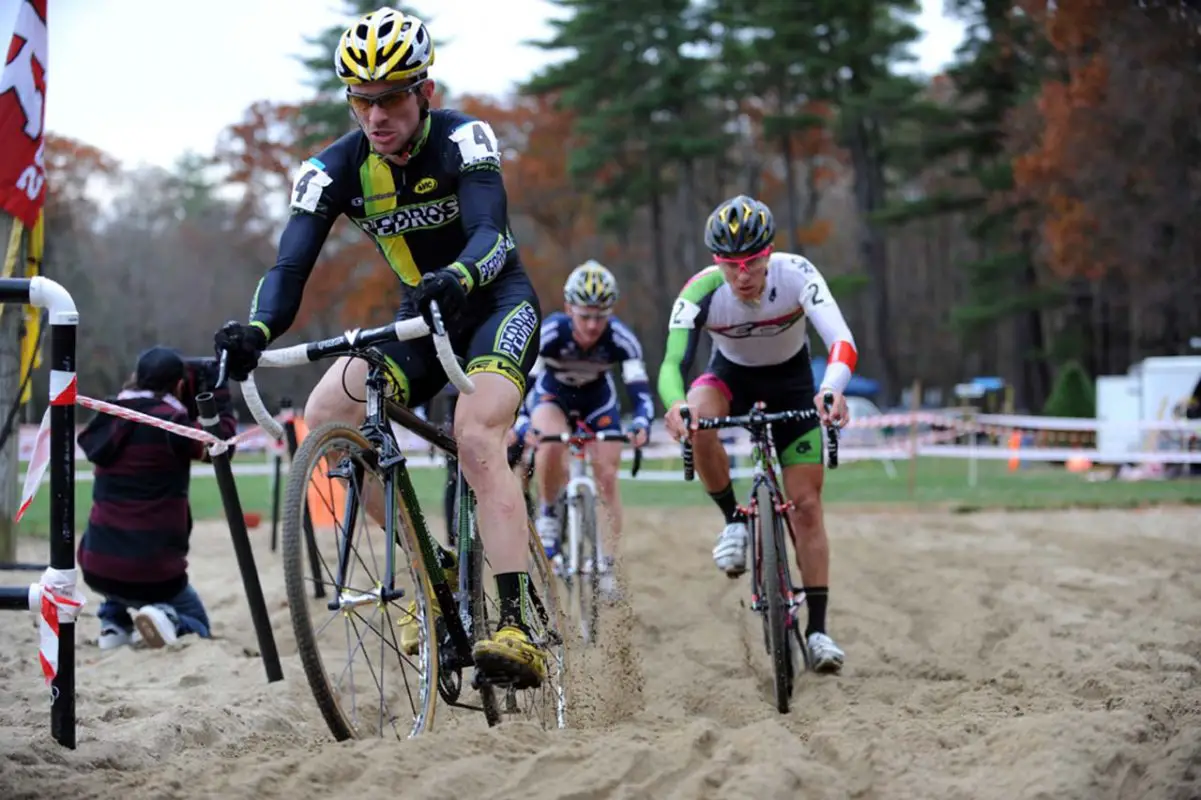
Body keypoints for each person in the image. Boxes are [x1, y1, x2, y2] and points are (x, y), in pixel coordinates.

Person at [211, 8, 546, 688]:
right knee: (331, 405)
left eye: (391, 96)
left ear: (424, 90)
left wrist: (453, 277)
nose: (376, 115)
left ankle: (514, 626)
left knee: (475, 433)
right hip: (422, 317)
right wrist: (256, 332)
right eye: (361, 100)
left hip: (492, 302)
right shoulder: (331, 170)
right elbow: (289, 269)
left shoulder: (465, 139)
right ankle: (430, 562)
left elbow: (491, 231)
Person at [657, 194, 857, 674]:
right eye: (730, 265)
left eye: (751, 263)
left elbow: (841, 341)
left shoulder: (797, 274)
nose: (742, 275)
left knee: (806, 508)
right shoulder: (700, 291)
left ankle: (818, 630)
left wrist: (831, 390)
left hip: (792, 384)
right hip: (730, 377)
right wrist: (675, 405)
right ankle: (733, 519)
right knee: (700, 417)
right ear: (716, 262)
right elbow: (671, 363)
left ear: (769, 254)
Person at [77, 347, 237, 650]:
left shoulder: (109, 416)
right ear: (178, 385)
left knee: (120, 538)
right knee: (198, 623)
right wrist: (220, 397)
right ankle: (166, 616)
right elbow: (221, 446)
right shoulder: (171, 424)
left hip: (96, 563)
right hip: (154, 572)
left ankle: (114, 623)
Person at [512, 261, 652, 595]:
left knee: (607, 476)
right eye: (584, 315)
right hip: (553, 396)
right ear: (568, 309)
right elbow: (524, 382)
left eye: (600, 316)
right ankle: (547, 514)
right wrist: (520, 421)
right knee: (550, 441)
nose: (592, 325)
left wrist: (642, 421)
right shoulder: (551, 333)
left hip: (597, 401)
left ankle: (607, 563)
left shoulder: (622, 339)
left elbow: (639, 390)